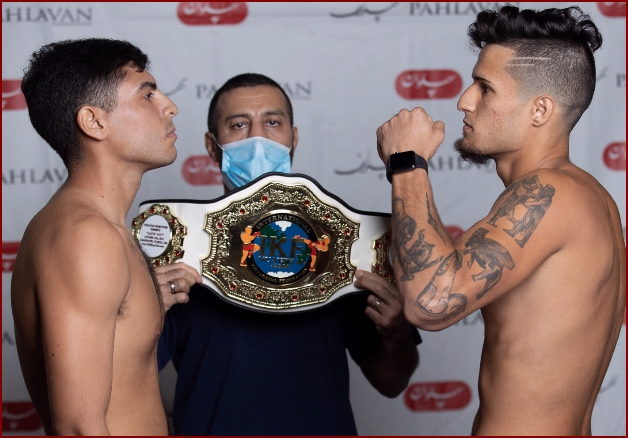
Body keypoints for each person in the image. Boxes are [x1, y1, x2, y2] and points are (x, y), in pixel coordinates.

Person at [371, 6, 625, 435]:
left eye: (485, 88)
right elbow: (441, 278)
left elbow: (431, 303)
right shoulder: (585, 195)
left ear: (540, 110)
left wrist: (407, 162)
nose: (464, 100)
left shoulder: (552, 193)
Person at [155, 73, 421, 435]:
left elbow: (391, 382)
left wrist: (396, 332)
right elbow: (126, 377)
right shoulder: (180, 247)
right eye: (239, 125)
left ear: (293, 138)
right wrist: (145, 312)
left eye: (272, 122)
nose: (258, 139)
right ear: (212, 146)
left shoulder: (344, 243)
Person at [11, 38, 179, 435]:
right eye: (148, 95)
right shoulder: (86, 236)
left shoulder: (99, 229)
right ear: (94, 122)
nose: (169, 106)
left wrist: (146, 306)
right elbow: (78, 427)